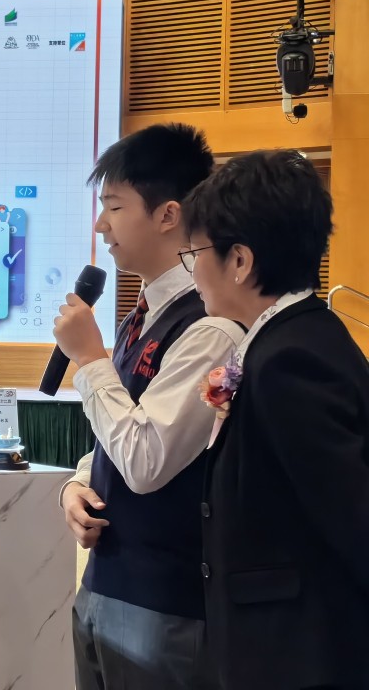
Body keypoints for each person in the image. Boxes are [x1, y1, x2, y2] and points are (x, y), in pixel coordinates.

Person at [53, 123, 244, 690]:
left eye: (114, 206)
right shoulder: (140, 317)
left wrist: (90, 360)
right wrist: (78, 483)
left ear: (167, 215)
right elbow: (122, 431)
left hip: (165, 602)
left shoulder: (211, 328)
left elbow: (147, 459)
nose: (101, 225)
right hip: (105, 582)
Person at [182, 150, 369, 690]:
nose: (193, 271)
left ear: (240, 261)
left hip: (300, 657)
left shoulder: (291, 359)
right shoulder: (287, 341)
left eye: (195, 253)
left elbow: (353, 518)